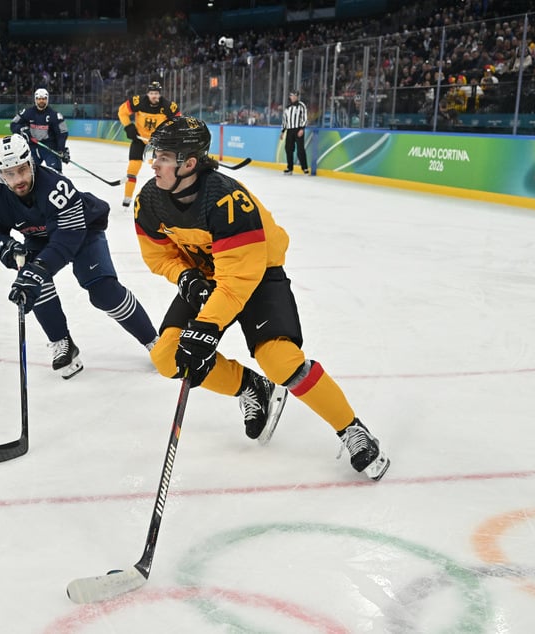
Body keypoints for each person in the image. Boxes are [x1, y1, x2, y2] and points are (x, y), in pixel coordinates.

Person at [134, 117, 389, 481]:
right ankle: (251, 386)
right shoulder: (150, 201)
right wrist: (185, 276)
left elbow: (238, 281)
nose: (153, 163)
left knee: (280, 360)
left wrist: (206, 327)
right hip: (208, 277)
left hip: (257, 274)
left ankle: (352, 429)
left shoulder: (226, 200)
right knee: (167, 357)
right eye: (153, 154)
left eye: (162, 157)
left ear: (189, 163)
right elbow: (158, 256)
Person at [0, 134, 158, 379]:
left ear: (31, 163)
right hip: (39, 238)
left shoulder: (55, 186)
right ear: (0, 174)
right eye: (9, 174)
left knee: (104, 291)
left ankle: (153, 340)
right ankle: (62, 342)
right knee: (34, 285)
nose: (18, 179)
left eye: (22, 170)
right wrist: (6, 248)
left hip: (83, 231)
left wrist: (38, 269)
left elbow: (67, 239)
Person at [117, 80, 181, 207]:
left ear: (160, 94)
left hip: (157, 143)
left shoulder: (168, 106)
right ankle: (127, 198)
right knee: (133, 168)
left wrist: (169, 134)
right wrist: (128, 126)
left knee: (163, 170)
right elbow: (122, 112)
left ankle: (166, 199)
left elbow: (178, 121)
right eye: (152, 93)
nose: (154, 96)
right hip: (139, 140)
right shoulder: (138, 102)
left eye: (156, 93)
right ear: (147, 94)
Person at [10, 88, 69, 172]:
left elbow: (62, 133)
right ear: (35, 99)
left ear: (47, 99)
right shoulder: (27, 112)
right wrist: (22, 130)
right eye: (39, 99)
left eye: (44, 99)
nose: (41, 101)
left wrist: (61, 149)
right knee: (28, 173)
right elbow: (13, 124)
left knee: (56, 173)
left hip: (49, 148)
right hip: (32, 147)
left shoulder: (55, 115)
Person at [280, 90, 309, 174]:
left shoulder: (301, 105)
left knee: (300, 149)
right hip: (289, 130)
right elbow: (285, 120)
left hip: (298, 129)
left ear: (297, 96)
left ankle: (305, 168)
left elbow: (304, 118)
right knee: (288, 149)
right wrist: (282, 131)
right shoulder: (287, 108)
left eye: (294, 96)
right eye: (291, 96)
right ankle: (290, 168)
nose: (292, 97)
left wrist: (302, 129)